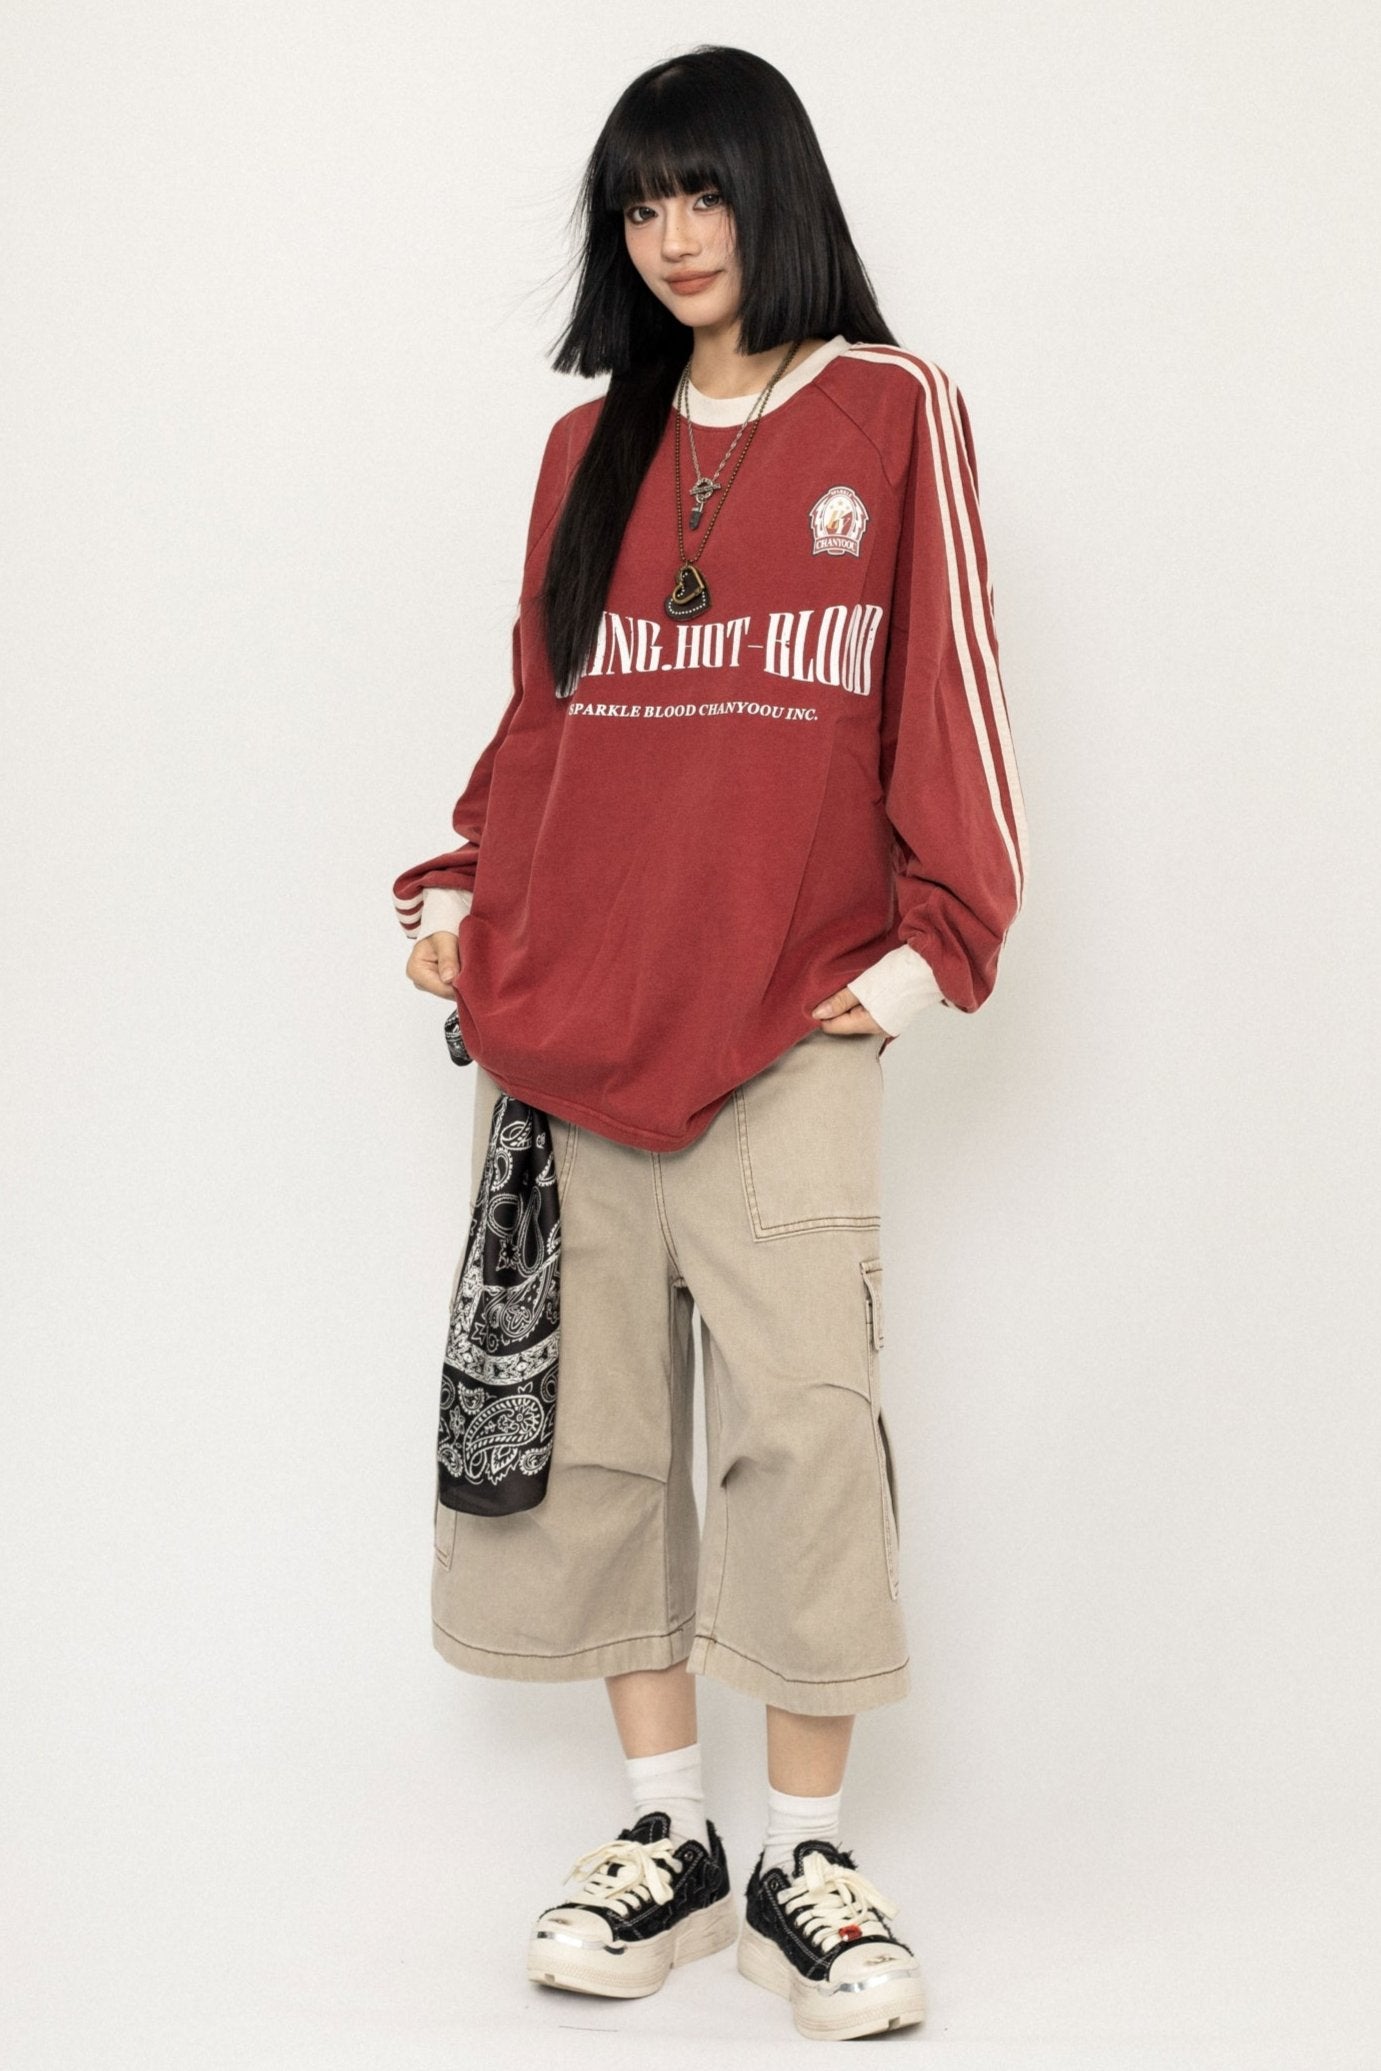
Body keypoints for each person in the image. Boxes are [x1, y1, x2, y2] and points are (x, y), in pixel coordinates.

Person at [392, 44, 1028, 2043]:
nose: (673, 236)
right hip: (568, 1017)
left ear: (776, 194)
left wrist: (930, 951)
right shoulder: (586, 446)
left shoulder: (891, 410)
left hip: (784, 1016)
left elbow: (951, 691)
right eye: (640, 202)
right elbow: (545, 714)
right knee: (596, 1445)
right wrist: (457, 887)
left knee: (803, 1432)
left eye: (705, 191)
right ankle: (665, 1831)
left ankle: (803, 1861)